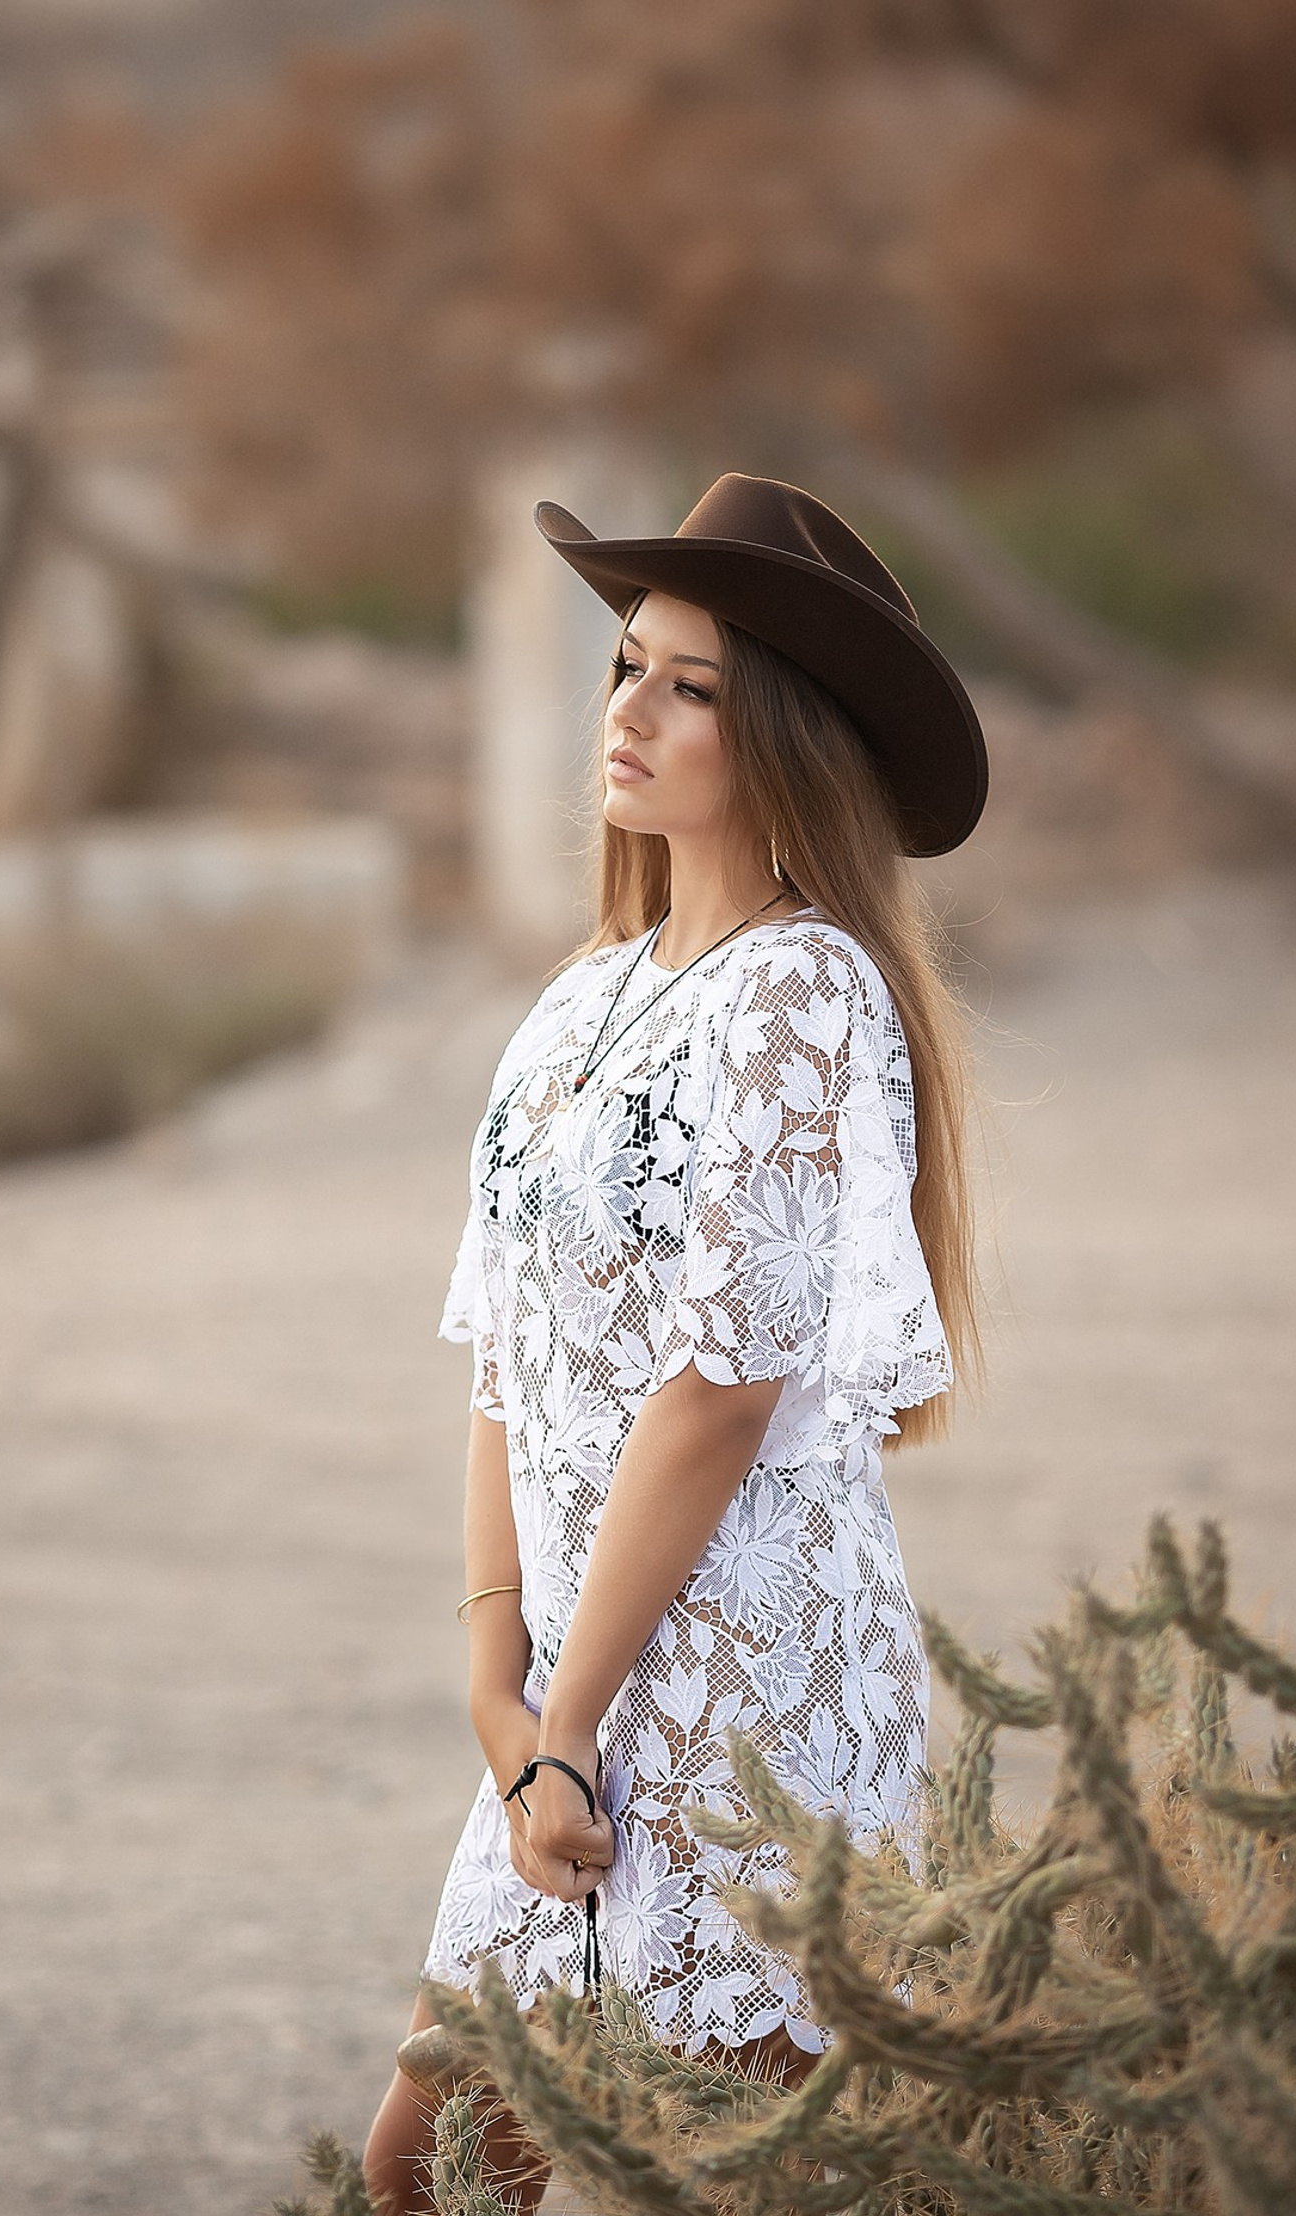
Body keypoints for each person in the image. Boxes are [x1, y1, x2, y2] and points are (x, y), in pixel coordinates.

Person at [363, 475, 992, 2214]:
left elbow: (722, 1391)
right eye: (624, 666)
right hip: (578, 1707)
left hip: (747, 1713)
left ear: (779, 734)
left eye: (688, 685)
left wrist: (560, 1719)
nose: (625, 711)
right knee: (417, 2182)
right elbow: (503, 1354)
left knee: (754, 2184)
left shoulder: (807, 991)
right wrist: (499, 1694)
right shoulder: (587, 995)